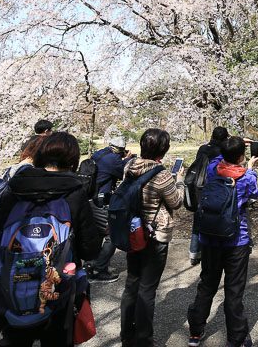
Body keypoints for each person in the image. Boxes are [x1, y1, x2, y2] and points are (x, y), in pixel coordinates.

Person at [0, 131, 103, 347]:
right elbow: (90, 249)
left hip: (11, 288)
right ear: (73, 160)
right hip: (58, 290)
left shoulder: (15, 189)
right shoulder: (74, 194)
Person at [187, 136, 258, 347]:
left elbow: (220, 157)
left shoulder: (212, 169)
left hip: (209, 238)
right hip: (237, 240)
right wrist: (251, 166)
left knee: (207, 285)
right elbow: (253, 195)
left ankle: (195, 332)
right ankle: (236, 338)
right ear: (241, 156)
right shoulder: (246, 177)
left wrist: (230, 146)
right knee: (234, 290)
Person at [120, 128, 185, 347]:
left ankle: (127, 335)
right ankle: (144, 339)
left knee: (132, 284)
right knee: (147, 288)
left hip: (132, 232)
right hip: (154, 235)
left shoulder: (129, 166)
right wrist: (180, 181)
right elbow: (176, 202)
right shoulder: (162, 175)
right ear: (164, 150)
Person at [86, 136, 133, 282]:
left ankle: (90, 265)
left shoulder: (99, 153)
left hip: (90, 199)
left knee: (98, 233)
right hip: (101, 200)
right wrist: (128, 160)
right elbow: (124, 173)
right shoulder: (113, 160)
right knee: (112, 235)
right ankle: (99, 270)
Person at [188, 127, 230, 266]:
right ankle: (211, 252)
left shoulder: (203, 148)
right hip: (212, 187)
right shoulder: (221, 152)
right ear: (225, 139)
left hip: (198, 187)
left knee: (198, 219)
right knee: (213, 218)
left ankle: (194, 253)